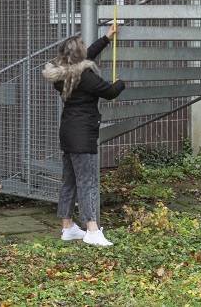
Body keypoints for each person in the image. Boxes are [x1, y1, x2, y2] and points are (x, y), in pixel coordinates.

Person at [42, 23, 125, 246]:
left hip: (68, 133)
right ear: (79, 55)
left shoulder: (62, 75)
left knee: (69, 181)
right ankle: (92, 230)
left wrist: (106, 38)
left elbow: (87, 55)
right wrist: (121, 83)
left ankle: (67, 227)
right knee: (88, 182)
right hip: (83, 135)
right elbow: (110, 92)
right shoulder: (86, 77)